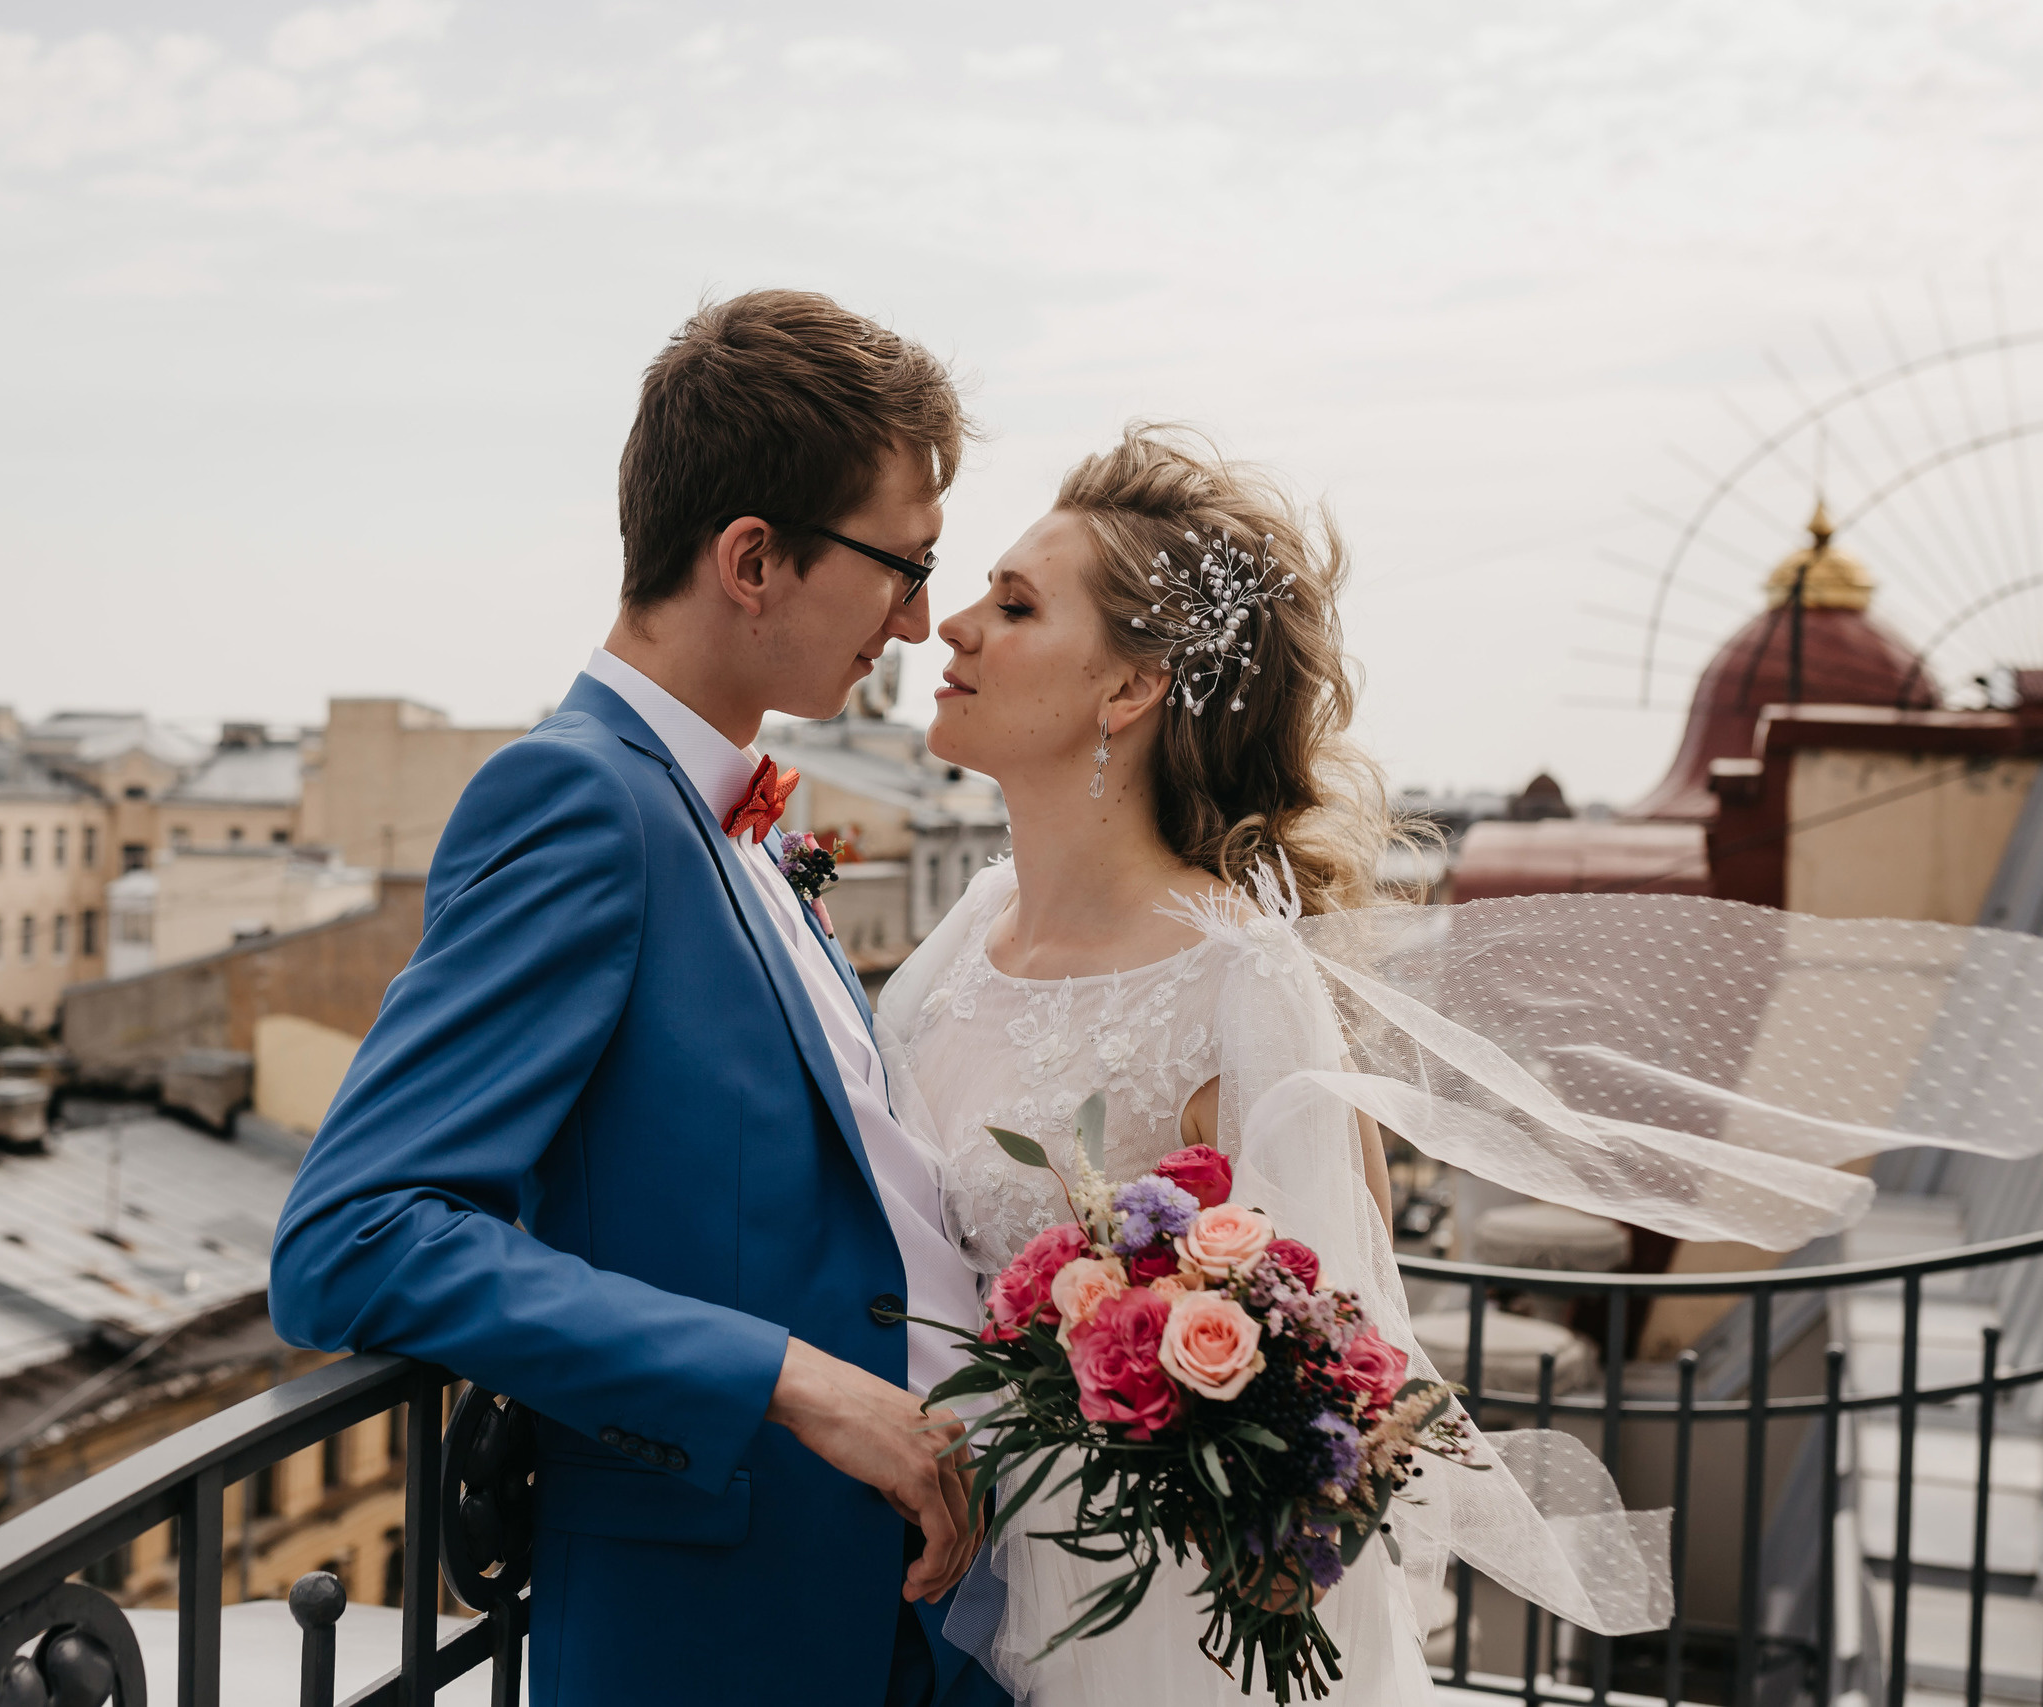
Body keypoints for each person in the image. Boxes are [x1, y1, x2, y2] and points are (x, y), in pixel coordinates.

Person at [271, 290, 1009, 1707]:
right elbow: (354, 1236)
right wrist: (793, 1379)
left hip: (895, 1612)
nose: (918, 616)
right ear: (753, 559)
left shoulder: (728, 813)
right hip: (725, 1630)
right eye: (899, 568)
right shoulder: (576, 798)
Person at [883, 426, 1493, 1702]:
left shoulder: (1234, 980)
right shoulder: (957, 938)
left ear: (1128, 691)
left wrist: (1271, 1538)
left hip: (1144, 1619)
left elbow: (1344, 1374)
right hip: (932, 1583)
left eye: (1014, 605)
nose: (952, 628)